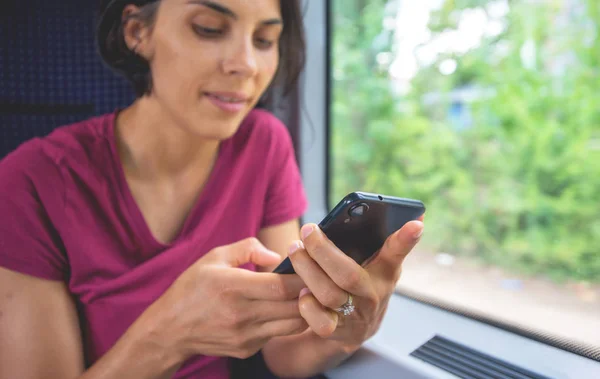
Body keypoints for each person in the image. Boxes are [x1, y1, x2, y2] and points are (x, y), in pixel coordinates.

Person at [0, 0, 425, 378]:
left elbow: (282, 354)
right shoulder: (30, 181)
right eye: (208, 28)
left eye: (263, 39)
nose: (246, 65)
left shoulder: (264, 144)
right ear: (137, 32)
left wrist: (347, 328)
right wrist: (170, 335)